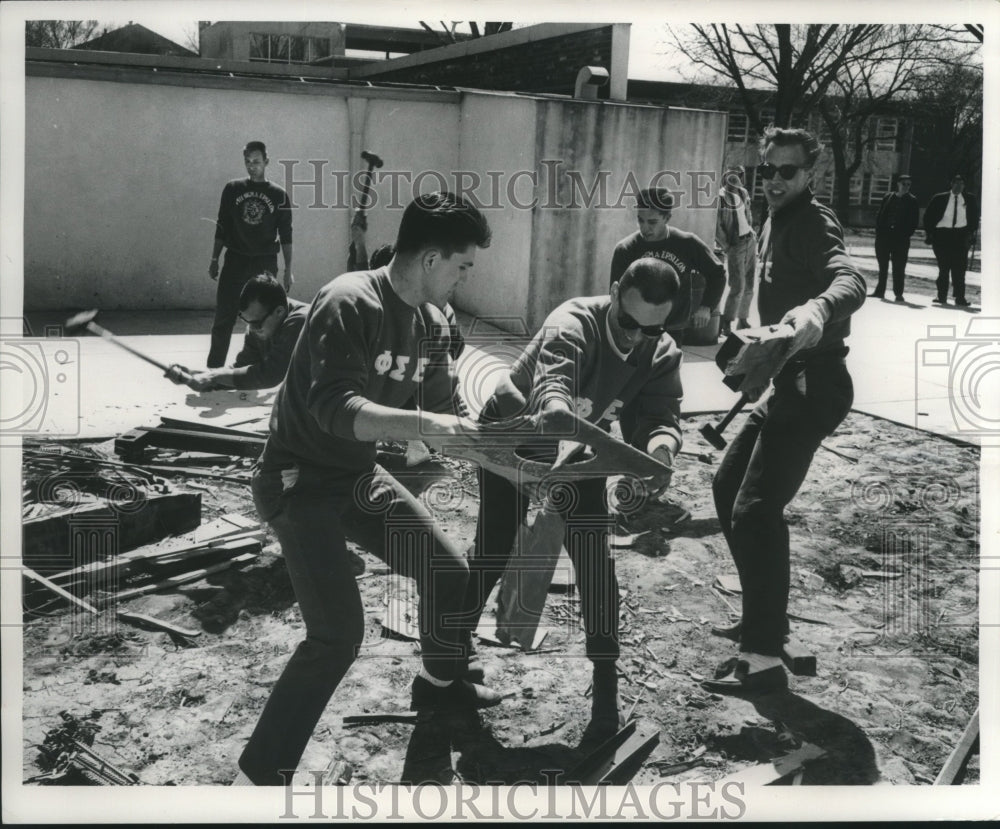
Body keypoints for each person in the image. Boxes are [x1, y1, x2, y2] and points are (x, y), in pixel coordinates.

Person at [232, 192, 496, 786]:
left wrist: (510, 442)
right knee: (337, 635)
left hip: (353, 479)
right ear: (430, 259)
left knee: (449, 574)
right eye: (461, 266)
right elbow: (334, 409)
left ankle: (438, 686)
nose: (462, 278)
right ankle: (257, 779)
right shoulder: (349, 299)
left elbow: (444, 414)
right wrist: (432, 426)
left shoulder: (430, 322)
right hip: (296, 481)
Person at [459, 257, 683, 749]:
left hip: (578, 452)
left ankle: (606, 697)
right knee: (493, 551)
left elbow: (659, 414)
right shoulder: (572, 323)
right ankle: (448, 667)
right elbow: (553, 386)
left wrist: (660, 448)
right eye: (628, 323)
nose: (636, 338)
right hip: (513, 439)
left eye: (652, 328)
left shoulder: (660, 350)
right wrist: (557, 412)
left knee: (595, 565)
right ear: (612, 292)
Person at [704, 128, 866, 694]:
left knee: (755, 509)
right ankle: (766, 621)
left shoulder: (815, 223)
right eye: (766, 170)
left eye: (787, 172)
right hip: (785, 379)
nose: (773, 180)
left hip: (815, 388)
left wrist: (820, 308)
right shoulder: (771, 217)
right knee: (728, 490)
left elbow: (851, 277)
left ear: (810, 176)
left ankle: (764, 659)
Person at [208, 141, 293, 368]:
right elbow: (222, 226)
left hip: (264, 264)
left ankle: (264, 367)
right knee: (224, 317)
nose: (251, 166)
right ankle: (214, 369)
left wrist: (288, 270)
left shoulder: (278, 195)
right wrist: (214, 258)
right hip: (235, 260)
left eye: (256, 161)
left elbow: (286, 235)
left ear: (266, 161)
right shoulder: (233, 189)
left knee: (264, 320)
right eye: (247, 162)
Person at [610, 187, 726, 345]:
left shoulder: (687, 243)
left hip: (673, 328)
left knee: (668, 368)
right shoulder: (626, 249)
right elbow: (616, 296)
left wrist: (706, 306)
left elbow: (717, 273)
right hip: (636, 328)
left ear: (667, 218)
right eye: (640, 220)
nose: (645, 228)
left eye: (652, 222)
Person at [170, 275, 307, 391]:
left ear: (279, 312)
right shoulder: (261, 322)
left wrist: (212, 377)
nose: (252, 329)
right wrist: (194, 375)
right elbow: (241, 368)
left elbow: (270, 374)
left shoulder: (300, 321)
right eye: (247, 322)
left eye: (256, 323)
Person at [923, 174, 980, 307]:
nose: (958, 186)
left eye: (961, 183)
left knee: (959, 269)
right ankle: (941, 296)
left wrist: (971, 233)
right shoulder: (939, 198)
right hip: (942, 236)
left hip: (960, 236)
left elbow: (974, 217)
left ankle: (960, 297)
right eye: (956, 183)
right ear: (951, 184)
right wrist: (930, 233)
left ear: (964, 186)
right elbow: (928, 216)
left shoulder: (969, 199)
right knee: (944, 267)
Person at [715, 166, 758, 337]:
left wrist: (752, 232)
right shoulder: (720, 197)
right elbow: (717, 225)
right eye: (731, 175)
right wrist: (726, 246)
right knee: (737, 286)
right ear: (725, 176)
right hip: (735, 244)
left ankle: (743, 319)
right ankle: (726, 322)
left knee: (749, 284)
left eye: (738, 176)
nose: (734, 179)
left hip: (749, 240)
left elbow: (747, 215)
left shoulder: (743, 193)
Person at [871, 174, 920, 302]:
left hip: (901, 240)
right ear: (898, 184)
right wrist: (879, 232)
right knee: (883, 266)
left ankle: (898, 293)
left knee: (899, 267)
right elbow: (880, 215)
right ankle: (879, 291)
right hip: (884, 237)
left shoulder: (912, 200)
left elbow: (914, 222)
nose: (906, 187)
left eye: (909, 184)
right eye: (904, 184)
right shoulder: (888, 197)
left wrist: (905, 235)